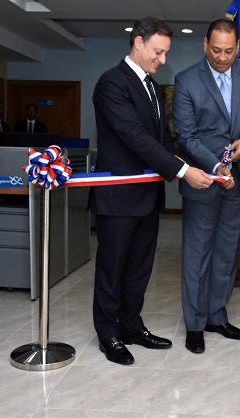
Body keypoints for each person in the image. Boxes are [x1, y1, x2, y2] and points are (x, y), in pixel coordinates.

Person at [89, 16, 213, 365]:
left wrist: (190, 162)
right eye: (158, 52)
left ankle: (130, 325)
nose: (162, 59)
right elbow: (135, 138)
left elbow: (160, 141)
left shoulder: (155, 88)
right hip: (117, 197)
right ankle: (108, 334)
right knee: (112, 269)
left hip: (146, 194)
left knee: (139, 268)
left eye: (166, 53)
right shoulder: (111, 83)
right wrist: (184, 171)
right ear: (138, 43)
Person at [173, 19, 240, 354]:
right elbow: (186, 136)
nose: (223, 57)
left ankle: (216, 314)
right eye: (216, 50)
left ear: (237, 48)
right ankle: (195, 323)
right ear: (205, 45)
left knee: (227, 254)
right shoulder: (186, 80)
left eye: (229, 51)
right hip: (203, 182)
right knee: (197, 255)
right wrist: (216, 166)